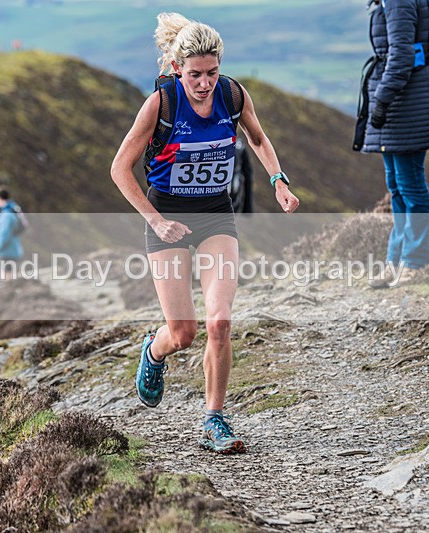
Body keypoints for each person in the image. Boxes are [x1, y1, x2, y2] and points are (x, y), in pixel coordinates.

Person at [111, 12, 299, 454]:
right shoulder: (161, 104)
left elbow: (258, 138)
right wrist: (155, 220)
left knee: (219, 322)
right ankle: (154, 351)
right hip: (168, 218)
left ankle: (215, 419)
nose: (204, 83)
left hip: (216, 216)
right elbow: (120, 168)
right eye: (195, 74)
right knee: (184, 333)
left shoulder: (232, 95)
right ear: (178, 68)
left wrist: (278, 181)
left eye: (211, 72)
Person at [363, 0, 429, 288]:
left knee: (410, 186)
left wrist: (382, 99)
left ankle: (415, 263)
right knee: (397, 185)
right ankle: (396, 260)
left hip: (408, 102)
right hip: (401, 102)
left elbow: (401, 55)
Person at [0, 185, 25, 280]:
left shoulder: (6, 214)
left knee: (5, 278)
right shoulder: (14, 209)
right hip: (15, 249)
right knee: (11, 276)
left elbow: (3, 234)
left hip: (6, 251)